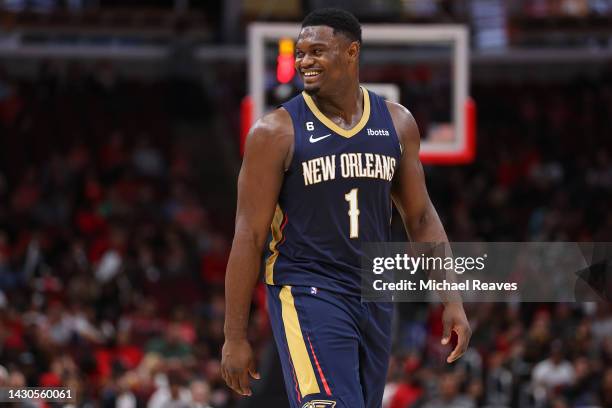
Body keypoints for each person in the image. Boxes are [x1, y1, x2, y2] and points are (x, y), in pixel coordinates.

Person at [221, 8, 471, 408]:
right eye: (301, 53)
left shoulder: (396, 122)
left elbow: (421, 218)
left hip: (372, 297)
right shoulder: (275, 132)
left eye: (317, 51)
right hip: (308, 290)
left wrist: (452, 300)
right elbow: (248, 235)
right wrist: (235, 335)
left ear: (351, 52)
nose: (305, 61)